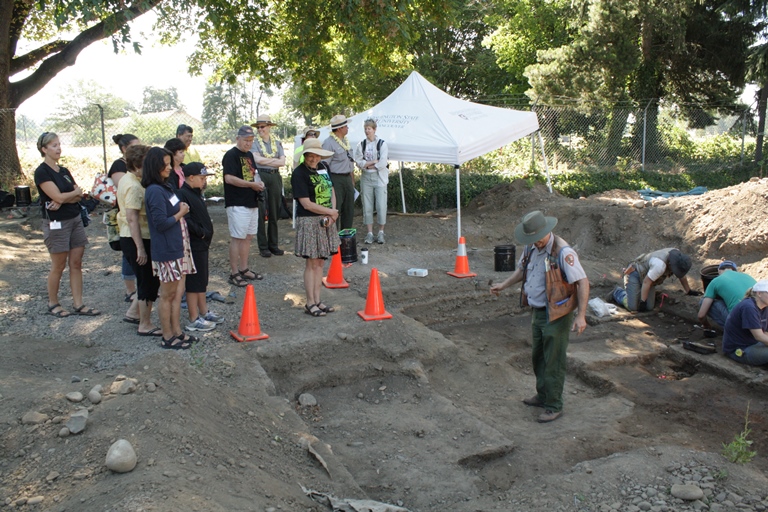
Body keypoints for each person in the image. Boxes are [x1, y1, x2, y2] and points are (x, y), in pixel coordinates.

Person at [489, 211, 589, 423]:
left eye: (539, 237)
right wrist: (504, 285)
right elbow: (522, 271)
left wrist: (581, 316)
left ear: (547, 230)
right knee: (539, 357)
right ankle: (543, 395)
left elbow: (582, 282)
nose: (537, 242)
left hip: (557, 314)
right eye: (533, 239)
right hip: (537, 311)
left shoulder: (563, 252)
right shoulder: (531, 248)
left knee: (554, 360)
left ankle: (554, 405)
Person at [34, 132, 101, 318]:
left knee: (76, 263)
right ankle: (53, 303)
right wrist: (66, 197)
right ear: (44, 149)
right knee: (58, 264)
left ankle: (78, 304)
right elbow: (57, 196)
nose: (58, 148)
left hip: (74, 219)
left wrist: (65, 199)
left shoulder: (63, 171)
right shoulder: (42, 172)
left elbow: (79, 194)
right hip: (56, 223)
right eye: (53, 145)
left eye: (59, 144)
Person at [142, 147, 197, 349]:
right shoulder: (155, 191)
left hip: (177, 248)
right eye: (164, 165)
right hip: (167, 251)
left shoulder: (165, 187)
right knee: (167, 295)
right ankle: (167, 336)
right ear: (154, 167)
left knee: (175, 294)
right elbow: (160, 223)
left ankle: (177, 332)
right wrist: (181, 213)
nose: (169, 168)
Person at [291, 139, 341, 317]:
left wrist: (331, 214)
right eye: (310, 155)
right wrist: (331, 212)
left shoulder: (323, 168)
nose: (313, 159)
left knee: (320, 261)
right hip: (310, 221)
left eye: (316, 155)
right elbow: (306, 203)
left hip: (326, 219)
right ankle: (310, 302)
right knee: (311, 263)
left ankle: (318, 300)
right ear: (305, 155)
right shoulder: (299, 173)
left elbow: (331, 190)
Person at [117, 144, 163, 336]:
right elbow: (132, 217)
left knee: (146, 279)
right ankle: (145, 324)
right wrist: (140, 249)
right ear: (138, 165)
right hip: (137, 237)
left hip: (133, 236)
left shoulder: (128, 178)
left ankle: (134, 312)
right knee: (147, 282)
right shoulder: (134, 186)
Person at [176, 162, 224, 332]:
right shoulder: (183, 194)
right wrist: (202, 233)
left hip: (202, 245)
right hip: (194, 244)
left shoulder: (196, 193)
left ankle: (203, 311)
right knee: (194, 283)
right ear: (190, 177)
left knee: (202, 280)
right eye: (201, 178)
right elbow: (186, 220)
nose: (204, 181)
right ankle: (193, 317)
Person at [223, 125, 266, 287]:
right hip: (237, 202)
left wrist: (258, 183)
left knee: (248, 237)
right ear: (237, 139)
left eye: (251, 140)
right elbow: (229, 178)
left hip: (251, 201)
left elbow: (253, 174)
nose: (248, 144)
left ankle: (244, 268)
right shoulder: (231, 155)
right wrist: (250, 185)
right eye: (246, 140)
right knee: (237, 238)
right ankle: (234, 272)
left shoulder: (249, 155)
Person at [609, 248, 698, 311]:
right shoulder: (660, 265)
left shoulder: (678, 257)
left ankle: (637, 292)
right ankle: (618, 292)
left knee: (649, 307)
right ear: (672, 264)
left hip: (648, 278)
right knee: (633, 307)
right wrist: (642, 301)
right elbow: (646, 282)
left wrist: (688, 290)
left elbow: (681, 275)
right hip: (635, 274)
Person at [108, 133, 140, 306]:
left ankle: (139, 288)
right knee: (129, 251)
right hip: (125, 214)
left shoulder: (134, 164)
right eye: (135, 146)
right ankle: (130, 290)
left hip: (136, 211)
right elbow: (124, 186)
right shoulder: (118, 165)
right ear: (124, 148)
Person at [250, 114, 286, 258]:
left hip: (275, 176)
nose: (260, 129)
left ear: (269, 127)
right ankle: (263, 246)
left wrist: (265, 160)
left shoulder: (277, 142)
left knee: (274, 211)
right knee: (261, 211)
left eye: (263, 127)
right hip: (261, 175)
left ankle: (274, 245)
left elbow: (282, 162)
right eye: (258, 127)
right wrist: (273, 160)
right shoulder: (254, 142)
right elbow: (256, 159)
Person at [353, 118, 389, 244]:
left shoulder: (382, 144)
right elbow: (358, 161)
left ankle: (381, 232)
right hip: (366, 178)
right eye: (365, 129)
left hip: (379, 178)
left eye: (369, 129)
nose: (367, 131)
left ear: (374, 129)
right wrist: (372, 162)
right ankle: (369, 233)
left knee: (381, 205)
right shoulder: (361, 145)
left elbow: (383, 162)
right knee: (367, 205)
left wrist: (369, 165)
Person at [697, 260, 756, 329]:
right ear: (735, 270)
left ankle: (732, 331)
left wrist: (706, 326)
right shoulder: (747, 276)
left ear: (718, 270)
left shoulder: (716, 281)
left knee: (703, 302)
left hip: (740, 324)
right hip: (759, 319)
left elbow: (701, 315)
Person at [722, 280, 768, 366]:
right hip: (740, 349)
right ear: (759, 294)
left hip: (754, 343)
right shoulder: (748, 307)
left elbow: (765, 332)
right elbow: (759, 336)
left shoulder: (765, 307)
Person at [322, 114, 355, 230]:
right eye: (346, 126)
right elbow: (324, 165)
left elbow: (350, 162)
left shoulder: (345, 141)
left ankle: (346, 238)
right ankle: (334, 239)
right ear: (340, 128)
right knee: (336, 209)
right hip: (336, 178)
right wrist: (329, 184)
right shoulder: (328, 143)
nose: (348, 128)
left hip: (347, 178)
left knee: (349, 209)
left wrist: (352, 179)